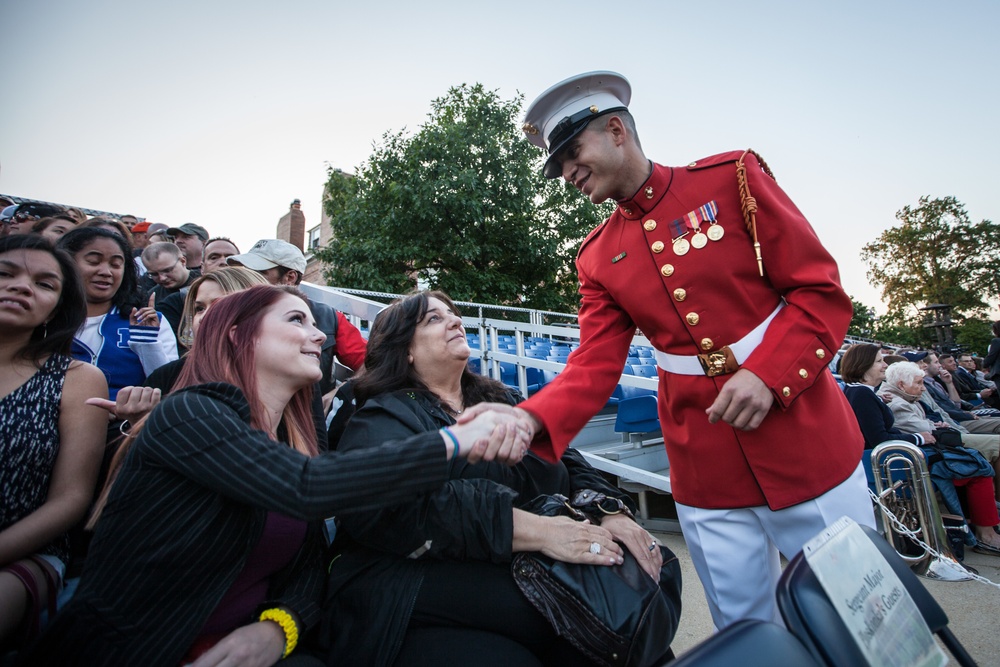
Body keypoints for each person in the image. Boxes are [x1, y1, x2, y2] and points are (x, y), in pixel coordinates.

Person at [464, 71, 875, 629]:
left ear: (615, 130)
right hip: (705, 466)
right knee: (748, 633)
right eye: (558, 167)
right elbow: (594, 362)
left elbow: (820, 293)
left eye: (572, 154)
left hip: (803, 440)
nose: (567, 175)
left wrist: (767, 374)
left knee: (864, 616)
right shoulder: (595, 256)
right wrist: (526, 417)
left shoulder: (732, 180)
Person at [21, 285, 528, 666]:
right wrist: (457, 439)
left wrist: (277, 627)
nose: (320, 335)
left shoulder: (301, 439)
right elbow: (307, 488)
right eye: (297, 320)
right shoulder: (190, 413)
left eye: (316, 324)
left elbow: (308, 568)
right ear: (240, 334)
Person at [321, 290, 673, 667]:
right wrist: (541, 531)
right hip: (416, 582)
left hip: (518, 565)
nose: (456, 321)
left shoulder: (500, 398)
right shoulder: (382, 414)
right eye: (434, 319)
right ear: (404, 349)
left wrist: (611, 512)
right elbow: (390, 506)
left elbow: (570, 459)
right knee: (589, 619)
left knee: (632, 594)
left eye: (453, 314)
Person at [0, 235, 107, 649]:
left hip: (21, 556)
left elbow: (71, 500)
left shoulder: (76, 379)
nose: (22, 286)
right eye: (5, 274)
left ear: (58, 308)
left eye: (44, 284)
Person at [881, 361, 1000, 555]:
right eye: (919, 383)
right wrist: (937, 426)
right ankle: (986, 535)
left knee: (975, 462)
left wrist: (937, 425)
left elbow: (933, 420)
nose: (922, 387)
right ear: (902, 384)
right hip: (919, 459)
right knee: (976, 465)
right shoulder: (896, 401)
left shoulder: (905, 396)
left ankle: (987, 526)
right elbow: (923, 430)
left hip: (930, 451)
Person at [228, 239, 367, 398]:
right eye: (246, 271)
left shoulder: (328, 317)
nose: (247, 279)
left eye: (258, 272)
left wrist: (341, 391)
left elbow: (374, 363)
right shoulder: (232, 312)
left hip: (309, 417)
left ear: (290, 277)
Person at [57, 227, 177, 401]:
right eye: (93, 261)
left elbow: (169, 387)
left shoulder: (149, 319)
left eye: (115, 265)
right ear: (66, 263)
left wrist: (147, 343)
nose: (106, 272)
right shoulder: (45, 318)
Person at [840, 343, 932, 449]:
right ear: (863, 365)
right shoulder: (862, 394)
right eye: (879, 361)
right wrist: (918, 438)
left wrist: (877, 402)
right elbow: (879, 439)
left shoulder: (856, 390)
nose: (885, 365)